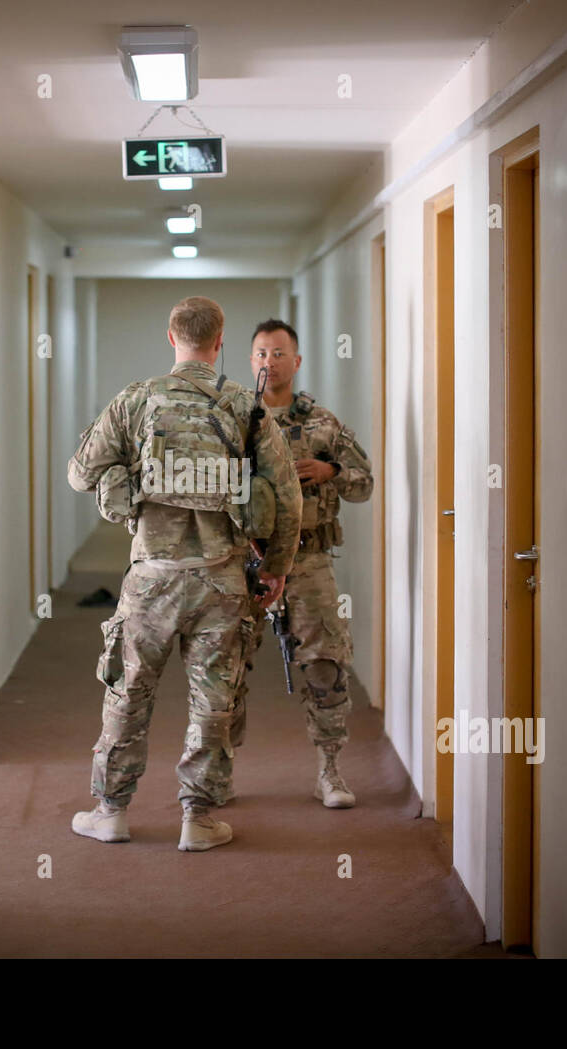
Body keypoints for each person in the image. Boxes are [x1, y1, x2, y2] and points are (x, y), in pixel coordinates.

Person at [67, 297, 302, 851]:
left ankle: (112, 811)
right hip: (221, 581)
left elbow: (81, 476)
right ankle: (197, 818)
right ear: (220, 342)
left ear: (171, 337)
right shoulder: (246, 407)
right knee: (213, 701)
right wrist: (276, 571)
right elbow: (287, 499)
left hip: (151, 578)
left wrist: (126, 472)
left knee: (128, 696)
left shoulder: (135, 400)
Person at [229, 319, 374, 808]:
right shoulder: (234, 420)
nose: (269, 362)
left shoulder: (321, 422)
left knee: (325, 665)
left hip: (308, 560)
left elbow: (363, 482)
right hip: (242, 562)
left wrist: (331, 469)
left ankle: (330, 770)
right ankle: (219, 771)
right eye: (261, 354)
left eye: (278, 353)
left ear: (297, 361)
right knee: (226, 667)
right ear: (251, 361)